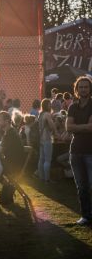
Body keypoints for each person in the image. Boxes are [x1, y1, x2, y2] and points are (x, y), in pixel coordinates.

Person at [66, 76, 92, 225]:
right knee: (81, 187)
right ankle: (86, 215)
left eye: (86, 87)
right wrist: (85, 126)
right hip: (75, 151)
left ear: (90, 89)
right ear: (76, 89)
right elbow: (68, 127)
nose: (83, 89)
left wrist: (77, 126)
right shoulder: (72, 107)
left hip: (90, 151)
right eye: (81, 87)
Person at [0, 111, 25, 203]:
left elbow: (0, 150)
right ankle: (7, 186)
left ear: (7, 121)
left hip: (13, 166)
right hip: (12, 163)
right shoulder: (10, 132)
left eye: (0, 120)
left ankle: (7, 186)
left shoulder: (10, 134)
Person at [37, 99, 59, 183]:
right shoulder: (47, 114)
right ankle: (47, 179)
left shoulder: (40, 114)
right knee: (47, 160)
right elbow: (51, 125)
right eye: (49, 104)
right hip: (47, 139)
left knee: (41, 159)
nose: (51, 105)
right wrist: (56, 132)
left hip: (41, 139)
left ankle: (41, 177)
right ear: (46, 105)